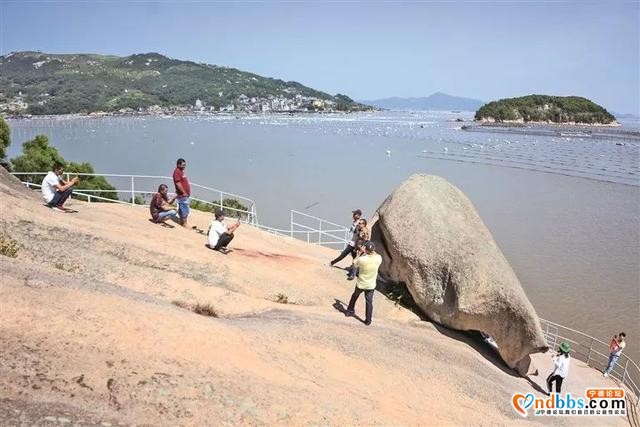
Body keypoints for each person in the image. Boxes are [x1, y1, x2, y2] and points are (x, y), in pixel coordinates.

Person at [345, 240, 382, 326]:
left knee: (355, 296)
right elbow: (375, 254)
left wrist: (360, 253)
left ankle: (349, 311)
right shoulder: (378, 258)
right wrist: (369, 251)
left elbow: (354, 263)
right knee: (369, 302)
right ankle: (368, 320)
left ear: (366, 249)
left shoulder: (362, 259)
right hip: (371, 285)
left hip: (361, 284)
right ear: (373, 250)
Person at [172, 158, 191, 228]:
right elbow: (178, 183)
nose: (184, 166)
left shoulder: (181, 171)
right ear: (178, 164)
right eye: (183, 165)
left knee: (182, 208)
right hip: (182, 195)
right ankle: (185, 224)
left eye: (185, 165)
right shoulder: (177, 172)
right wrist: (184, 192)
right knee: (185, 208)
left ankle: (182, 222)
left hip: (183, 194)